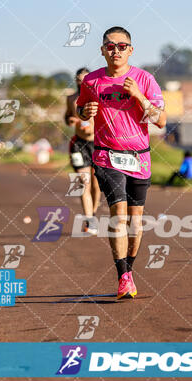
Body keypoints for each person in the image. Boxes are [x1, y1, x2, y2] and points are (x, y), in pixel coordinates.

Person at [76, 26, 166, 299]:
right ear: (102, 50)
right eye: (111, 45)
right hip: (106, 156)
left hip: (139, 157)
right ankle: (123, 277)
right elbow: (81, 109)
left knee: (135, 223)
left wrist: (138, 95)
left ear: (131, 49)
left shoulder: (145, 79)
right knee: (119, 216)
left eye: (122, 45)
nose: (116, 50)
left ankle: (129, 270)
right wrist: (84, 111)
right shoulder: (91, 81)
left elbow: (160, 120)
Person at [66, 67, 101, 235]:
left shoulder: (98, 96)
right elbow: (67, 117)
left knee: (96, 183)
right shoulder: (71, 99)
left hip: (98, 143)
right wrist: (70, 119)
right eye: (79, 81)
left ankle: (92, 213)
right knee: (83, 182)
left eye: (85, 81)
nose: (82, 84)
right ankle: (90, 219)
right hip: (79, 144)